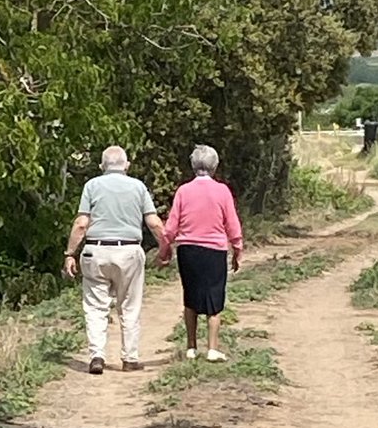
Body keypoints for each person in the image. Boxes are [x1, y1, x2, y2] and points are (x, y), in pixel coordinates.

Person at [62, 145, 167, 375]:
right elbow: (154, 223)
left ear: (102, 166)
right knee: (129, 305)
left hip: (95, 251)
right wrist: (165, 247)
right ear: (126, 166)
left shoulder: (92, 186)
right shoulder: (138, 187)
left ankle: (97, 355)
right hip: (129, 251)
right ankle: (129, 358)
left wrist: (70, 253)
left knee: (95, 306)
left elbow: (81, 223)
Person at [158, 144, 243, 363]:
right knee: (215, 298)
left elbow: (171, 225)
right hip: (214, 249)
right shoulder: (222, 190)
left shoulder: (183, 191)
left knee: (191, 297)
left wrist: (165, 248)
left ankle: (191, 347)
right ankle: (213, 348)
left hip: (188, 250)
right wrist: (237, 247)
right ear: (214, 166)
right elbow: (231, 222)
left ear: (193, 165)